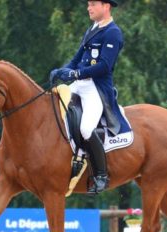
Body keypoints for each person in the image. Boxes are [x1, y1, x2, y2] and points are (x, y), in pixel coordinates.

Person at [50, 0, 124, 195]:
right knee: (57, 113)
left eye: (93, 4)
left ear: (106, 6)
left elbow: (104, 66)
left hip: (96, 88)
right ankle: (72, 159)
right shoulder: (92, 29)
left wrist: (74, 75)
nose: (88, 8)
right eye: (88, 4)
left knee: (85, 128)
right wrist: (63, 70)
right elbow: (77, 59)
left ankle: (101, 175)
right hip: (80, 84)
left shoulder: (113, 33)